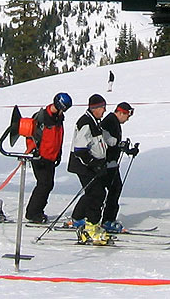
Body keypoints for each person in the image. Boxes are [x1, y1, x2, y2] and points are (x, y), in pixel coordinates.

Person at [66, 94, 110, 244]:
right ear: (95, 108)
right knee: (96, 193)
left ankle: (81, 220)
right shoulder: (86, 122)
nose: (104, 111)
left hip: (91, 164)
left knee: (94, 193)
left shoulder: (94, 121)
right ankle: (90, 227)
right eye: (102, 107)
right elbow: (80, 149)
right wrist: (92, 163)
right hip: (83, 165)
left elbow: (99, 141)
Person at [24, 92, 72, 224]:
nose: (63, 112)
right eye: (63, 108)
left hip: (51, 157)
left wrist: (58, 153)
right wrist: (34, 151)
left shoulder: (59, 118)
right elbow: (30, 135)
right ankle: (33, 213)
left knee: (48, 185)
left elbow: (58, 137)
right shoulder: (42, 117)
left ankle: (37, 211)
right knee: (44, 184)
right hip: (40, 156)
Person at [98, 101, 138, 233]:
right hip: (106, 164)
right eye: (127, 116)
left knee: (111, 190)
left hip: (111, 163)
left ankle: (105, 219)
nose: (128, 119)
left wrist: (127, 150)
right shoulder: (110, 121)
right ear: (120, 113)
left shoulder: (113, 121)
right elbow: (105, 139)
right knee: (110, 190)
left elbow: (114, 143)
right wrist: (119, 145)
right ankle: (106, 220)